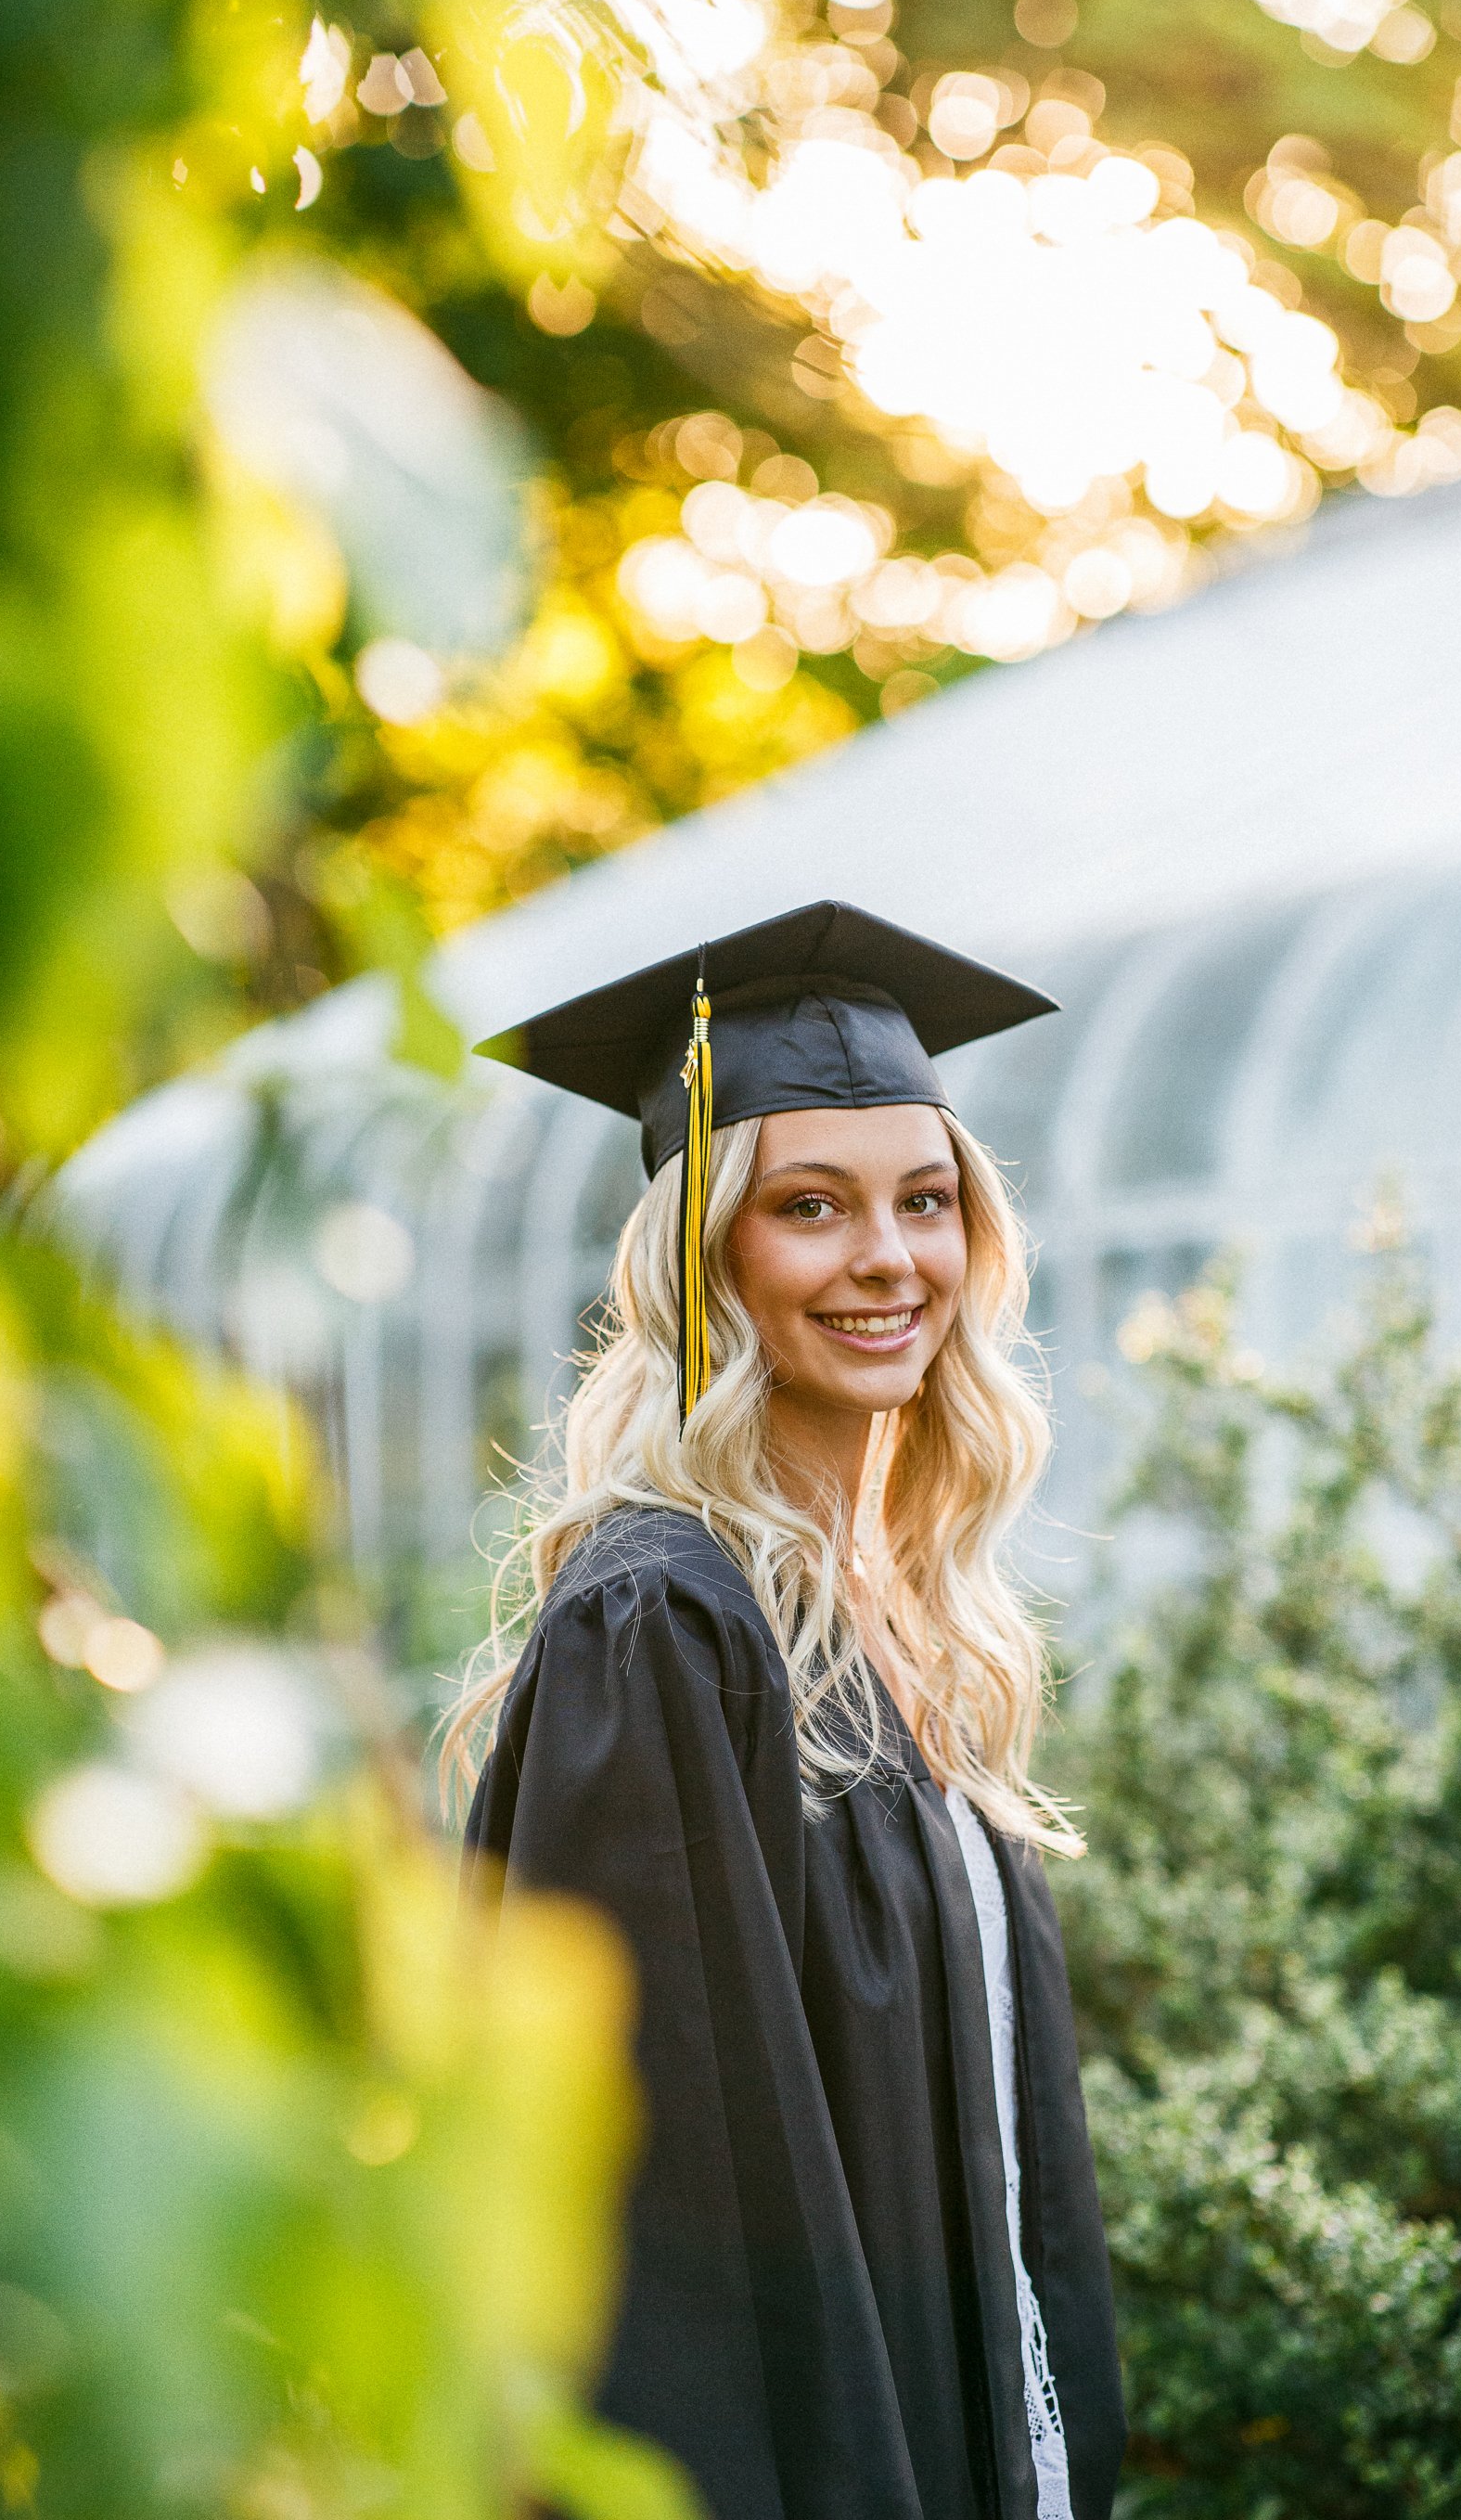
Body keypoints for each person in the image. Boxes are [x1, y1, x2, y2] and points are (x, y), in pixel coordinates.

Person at [446, 901, 1125, 2520]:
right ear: (706, 1256)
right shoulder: (666, 1624)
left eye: (927, 1202)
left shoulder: (905, 1620)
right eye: (810, 1207)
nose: (890, 1258)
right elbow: (661, 2233)